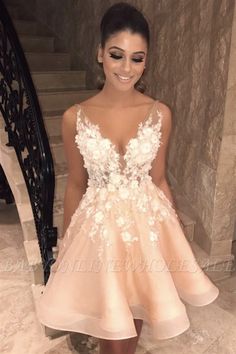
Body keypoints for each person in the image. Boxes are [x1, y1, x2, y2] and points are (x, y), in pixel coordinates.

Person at [37, 2, 220, 354]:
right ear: (100, 54)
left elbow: (160, 178)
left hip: (146, 228)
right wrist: (66, 247)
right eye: (117, 55)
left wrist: (174, 232)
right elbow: (76, 184)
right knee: (112, 325)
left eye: (137, 58)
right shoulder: (75, 117)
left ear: (146, 61)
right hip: (100, 232)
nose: (126, 68)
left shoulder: (159, 113)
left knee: (134, 314)